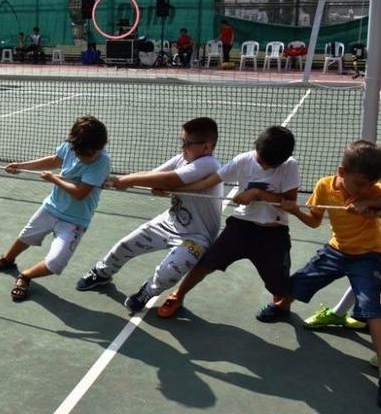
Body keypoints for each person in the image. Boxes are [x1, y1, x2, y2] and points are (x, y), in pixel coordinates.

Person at [76, 117, 223, 312]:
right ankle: (102, 273)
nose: (182, 147)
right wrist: (117, 180)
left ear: (206, 147)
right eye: (182, 141)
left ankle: (148, 291)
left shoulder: (209, 164)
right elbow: (153, 175)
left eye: (188, 144)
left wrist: (130, 181)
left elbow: (169, 180)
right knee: (125, 245)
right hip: (170, 222)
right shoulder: (182, 159)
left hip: (197, 237)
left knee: (168, 272)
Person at [275, 140, 381, 407]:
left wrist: (368, 201)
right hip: (336, 250)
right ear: (342, 172)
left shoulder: (373, 190)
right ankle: (281, 307)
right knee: (299, 281)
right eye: (360, 184)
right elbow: (314, 222)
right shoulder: (324, 186)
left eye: (371, 184)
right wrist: (295, 210)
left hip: (368, 256)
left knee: (372, 309)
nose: (365, 188)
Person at [155, 126, 300, 320]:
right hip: (241, 227)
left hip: (273, 233)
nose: (265, 167)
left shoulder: (290, 166)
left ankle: (281, 303)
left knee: (280, 286)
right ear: (256, 148)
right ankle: (178, 296)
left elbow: (289, 203)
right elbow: (208, 182)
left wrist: (257, 193)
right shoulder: (244, 160)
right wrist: (175, 189)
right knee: (206, 263)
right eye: (261, 161)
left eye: (270, 165)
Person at [0, 116, 110, 301]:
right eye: (83, 154)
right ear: (74, 146)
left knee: (56, 263)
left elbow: (80, 193)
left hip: (76, 220)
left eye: (92, 153)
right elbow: (54, 160)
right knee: (26, 236)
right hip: (51, 207)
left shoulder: (102, 161)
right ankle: (7, 260)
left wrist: (54, 179)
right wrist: (21, 166)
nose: (88, 157)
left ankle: (26, 276)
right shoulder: (71, 145)